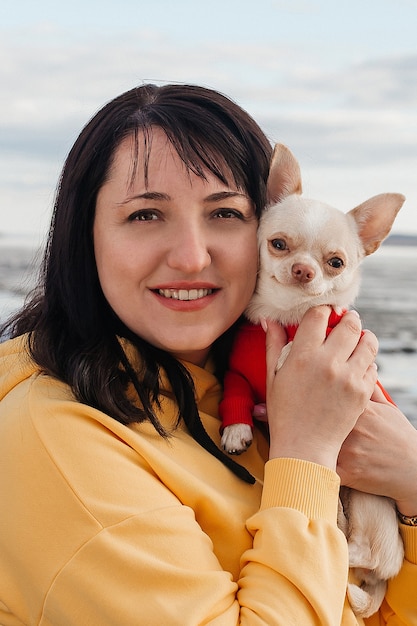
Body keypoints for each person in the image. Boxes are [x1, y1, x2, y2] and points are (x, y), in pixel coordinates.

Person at [0, 83, 416, 626]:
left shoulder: (261, 382)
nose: (192, 257)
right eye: (146, 215)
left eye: (224, 214)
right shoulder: (53, 442)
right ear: (86, 234)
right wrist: (307, 452)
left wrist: (409, 484)